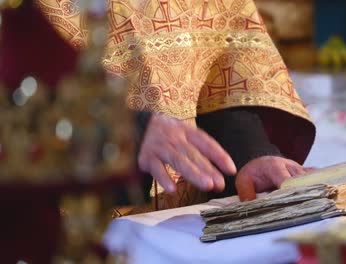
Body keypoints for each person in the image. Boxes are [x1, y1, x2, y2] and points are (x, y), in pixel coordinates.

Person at [0, 0, 316, 209]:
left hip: (181, 234)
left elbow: (220, 77)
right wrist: (126, 131)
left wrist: (248, 156)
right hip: (61, 229)